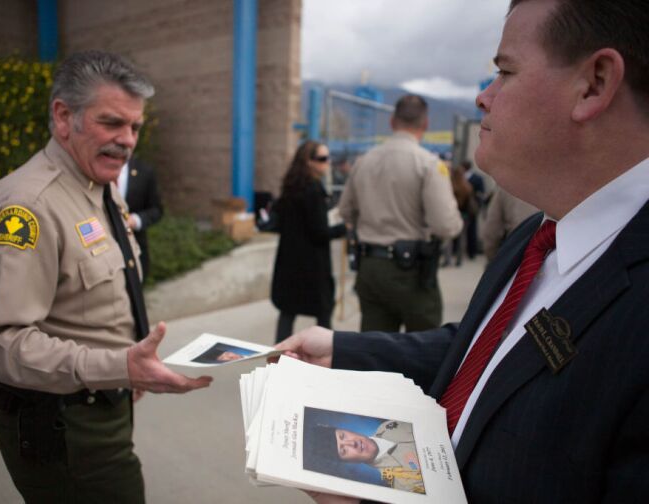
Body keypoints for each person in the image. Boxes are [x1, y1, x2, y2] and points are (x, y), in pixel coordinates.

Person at [278, 0, 649, 502]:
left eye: (504, 71)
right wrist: (347, 349)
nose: (482, 97)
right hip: (410, 270)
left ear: (595, 83)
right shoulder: (543, 235)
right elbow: (488, 350)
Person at [0, 51, 212, 504]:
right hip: (64, 427)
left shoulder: (99, 188)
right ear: (64, 117)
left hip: (102, 404)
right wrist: (116, 367)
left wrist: (126, 371)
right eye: (111, 123)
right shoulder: (26, 209)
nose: (126, 141)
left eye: (135, 128)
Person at [338, 94, 462, 332]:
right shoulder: (428, 164)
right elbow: (445, 225)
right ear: (425, 124)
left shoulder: (363, 161)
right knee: (421, 350)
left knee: (375, 350)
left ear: (392, 121)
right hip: (411, 269)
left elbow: (345, 211)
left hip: (370, 265)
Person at [271, 141, 346, 342]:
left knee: (288, 311)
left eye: (328, 158)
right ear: (308, 161)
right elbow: (320, 232)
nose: (327, 163)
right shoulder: (313, 191)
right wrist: (344, 229)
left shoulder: (290, 188)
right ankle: (327, 358)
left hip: (290, 262)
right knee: (323, 314)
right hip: (313, 265)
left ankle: (278, 357)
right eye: (322, 159)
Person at [305, 421, 425, 494]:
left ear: (347, 430)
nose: (352, 444)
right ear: (349, 462)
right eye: (344, 450)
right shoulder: (402, 484)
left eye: (343, 436)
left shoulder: (386, 426)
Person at [118, 157, 164, 280]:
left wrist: (136, 220)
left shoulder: (144, 170)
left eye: (133, 135)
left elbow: (156, 209)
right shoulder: (95, 170)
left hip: (135, 250)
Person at [481, 186, 538, 262]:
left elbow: (492, 231)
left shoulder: (507, 186)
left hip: (517, 251)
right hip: (551, 253)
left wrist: (494, 260)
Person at [460, 160, 485, 259]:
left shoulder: (476, 178)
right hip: (463, 208)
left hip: (469, 209)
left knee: (471, 230)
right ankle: (462, 252)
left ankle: (471, 251)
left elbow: (481, 194)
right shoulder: (460, 177)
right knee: (466, 230)